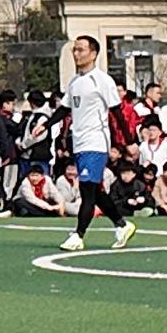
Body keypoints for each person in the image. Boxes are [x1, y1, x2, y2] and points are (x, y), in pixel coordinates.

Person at [58, 35, 136, 252]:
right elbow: (64, 109)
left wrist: (129, 142)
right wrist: (45, 125)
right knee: (95, 190)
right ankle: (122, 225)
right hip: (79, 142)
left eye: (81, 50)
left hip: (96, 142)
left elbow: (117, 112)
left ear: (93, 53)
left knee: (87, 190)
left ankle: (78, 235)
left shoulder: (102, 80)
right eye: (74, 50)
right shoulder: (75, 81)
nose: (76, 54)